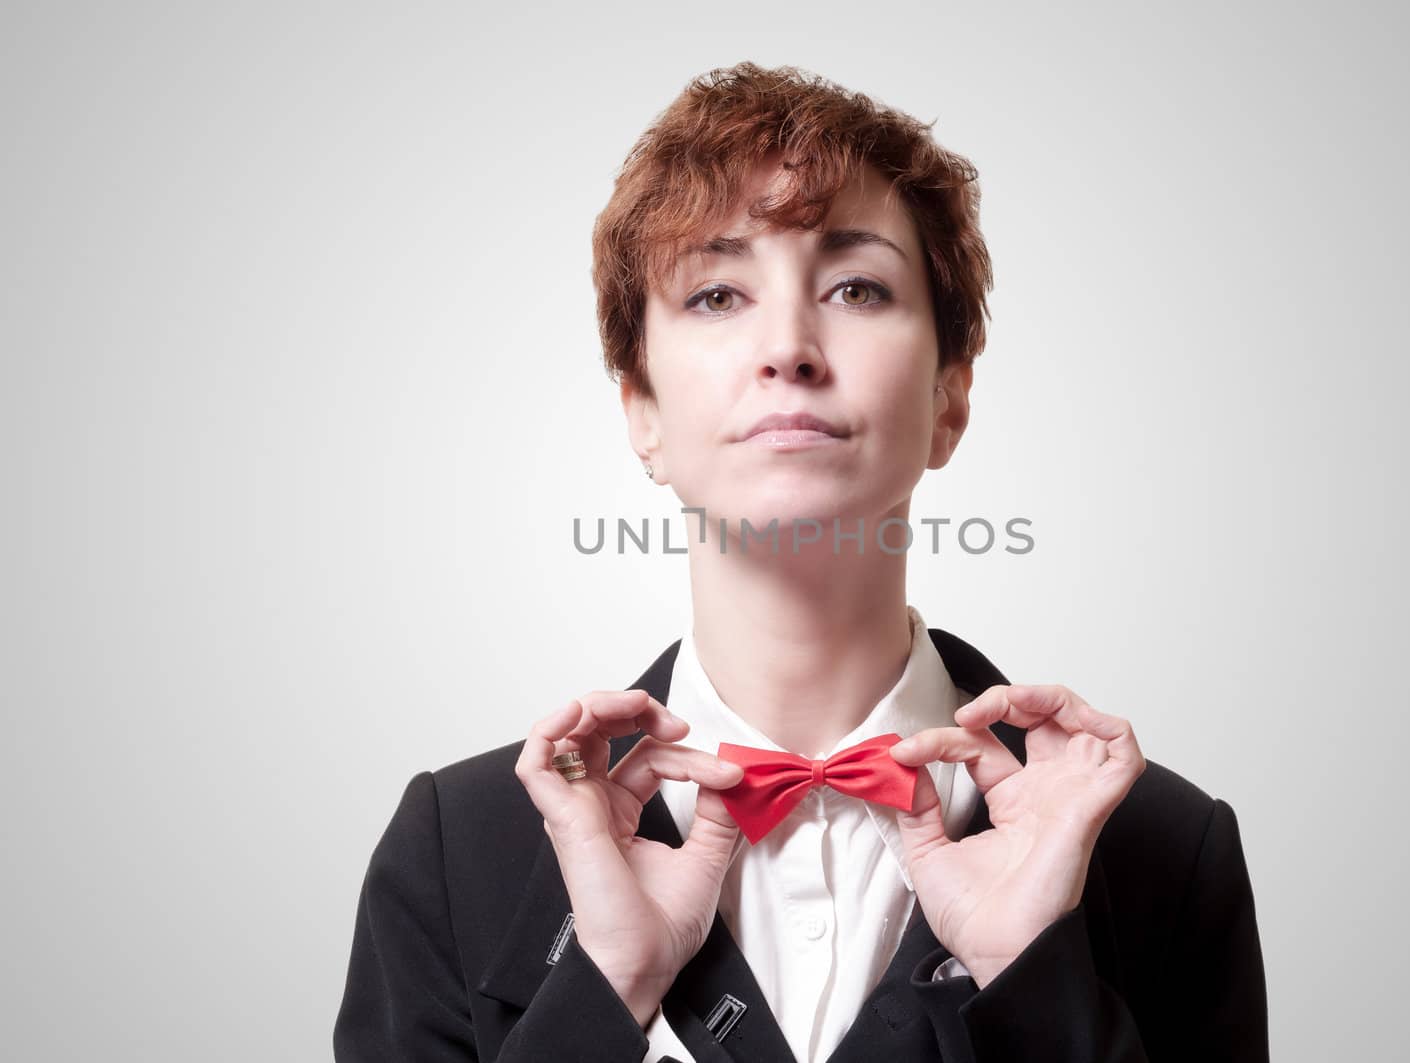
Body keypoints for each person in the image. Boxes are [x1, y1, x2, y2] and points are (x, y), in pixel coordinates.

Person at [334, 61, 1269, 1062]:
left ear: (950, 397)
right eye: (716, 293)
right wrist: (607, 990)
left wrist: (1034, 974)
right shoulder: (456, 847)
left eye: (856, 287)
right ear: (640, 412)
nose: (787, 346)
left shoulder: (1163, 845)